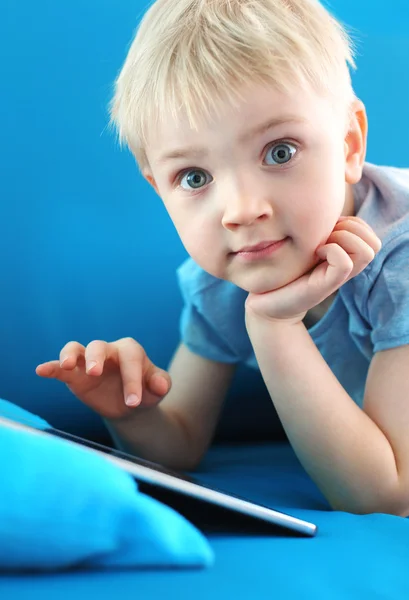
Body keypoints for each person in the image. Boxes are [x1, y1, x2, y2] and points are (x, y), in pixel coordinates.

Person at [36, 0, 409, 516]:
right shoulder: (226, 277)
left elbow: (388, 495)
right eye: (194, 177)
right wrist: (128, 413)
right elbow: (181, 443)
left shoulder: (398, 261)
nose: (241, 210)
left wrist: (274, 327)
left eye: (280, 152)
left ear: (348, 145)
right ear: (158, 190)